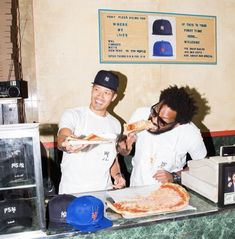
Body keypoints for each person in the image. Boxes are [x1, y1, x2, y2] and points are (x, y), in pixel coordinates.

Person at [117, 85, 207, 187]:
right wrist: (125, 148)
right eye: (154, 112)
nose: (153, 120)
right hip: (136, 188)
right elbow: (124, 151)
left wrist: (175, 176)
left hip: (169, 193)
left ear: (178, 123)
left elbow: (202, 166)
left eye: (163, 121)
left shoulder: (190, 133)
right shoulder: (140, 113)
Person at [57, 70, 126, 194]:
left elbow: (111, 156)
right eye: (97, 90)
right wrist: (67, 144)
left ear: (114, 97)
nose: (100, 96)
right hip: (73, 192)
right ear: (92, 89)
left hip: (104, 192)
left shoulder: (116, 124)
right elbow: (63, 136)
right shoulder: (73, 115)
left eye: (107, 92)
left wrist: (117, 175)